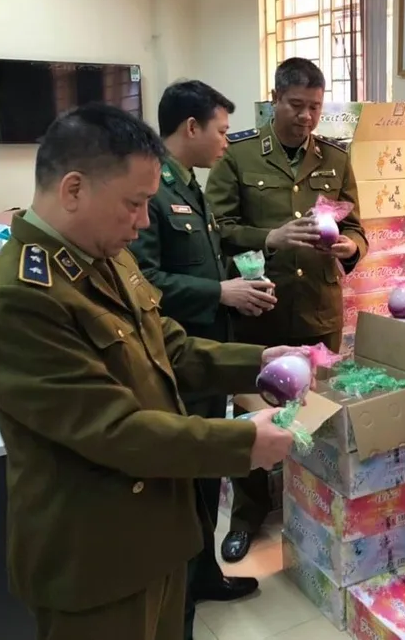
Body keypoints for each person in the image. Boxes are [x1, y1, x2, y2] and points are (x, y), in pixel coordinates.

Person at [0, 103, 309, 640]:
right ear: (74, 189)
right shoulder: (21, 298)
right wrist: (243, 443)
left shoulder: (106, 252)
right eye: (134, 203)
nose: (145, 221)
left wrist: (258, 361)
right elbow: (111, 428)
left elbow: (167, 345)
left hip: (158, 535)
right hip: (95, 560)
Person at [129, 81, 278, 637]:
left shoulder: (191, 185)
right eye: (220, 130)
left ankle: (205, 574)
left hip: (209, 353)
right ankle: (185, 595)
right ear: (190, 127)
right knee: (188, 483)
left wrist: (242, 285)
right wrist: (218, 293)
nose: (225, 141)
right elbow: (145, 281)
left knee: (207, 481)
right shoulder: (154, 193)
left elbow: (204, 263)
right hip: (178, 360)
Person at [205, 57, 367, 562]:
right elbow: (216, 229)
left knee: (314, 413)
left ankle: (312, 507)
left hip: (317, 306)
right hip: (261, 310)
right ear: (275, 100)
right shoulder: (240, 156)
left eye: (315, 107)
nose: (306, 117)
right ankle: (248, 513)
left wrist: (350, 247)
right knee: (255, 413)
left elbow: (356, 227)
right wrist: (269, 237)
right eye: (296, 105)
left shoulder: (335, 158)